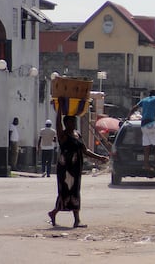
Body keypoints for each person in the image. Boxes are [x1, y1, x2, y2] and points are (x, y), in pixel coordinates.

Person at [48, 97, 109, 228]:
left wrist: (100, 158)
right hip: (65, 168)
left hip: (76, 167)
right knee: (65, 190)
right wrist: (59, 108)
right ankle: (68, 217)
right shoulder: (62, 134)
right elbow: (58, 122)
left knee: (75, 191)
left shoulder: (77, 134)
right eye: (71, 122)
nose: (74, 123)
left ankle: (65, 216)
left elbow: (85, 150)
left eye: (74, 121)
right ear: (67, 123)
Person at [127, 89, 155, 171]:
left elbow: (134, 108)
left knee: (147, 145)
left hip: (143, 124)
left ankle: (146, 164)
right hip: (151, 123)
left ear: (149, 95)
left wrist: (128, 117)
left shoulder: (144, 100)